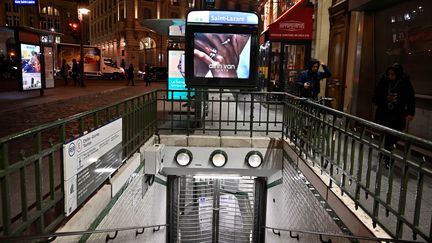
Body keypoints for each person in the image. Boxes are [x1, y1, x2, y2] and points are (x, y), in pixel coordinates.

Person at [373, 63, 415, 168]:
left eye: (393, 74)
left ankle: (385, 154)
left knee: (394, 137)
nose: (391, 76)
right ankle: (387, 158)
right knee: (387, 137)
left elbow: (411, 98)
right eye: (389, 74)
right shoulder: (383, 81)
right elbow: (375, 97)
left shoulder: (405, 83)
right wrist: (386, 98)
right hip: (384, 114)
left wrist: (410, 112)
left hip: (398, 115)